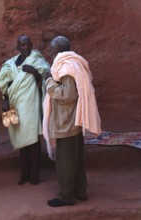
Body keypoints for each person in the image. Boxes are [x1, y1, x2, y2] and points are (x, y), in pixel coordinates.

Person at [42, 35, 101, 207]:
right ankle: (80, 192)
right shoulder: (76, 63)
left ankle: (66, 196)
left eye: (53, 50)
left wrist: (49, 82)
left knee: (65, 162)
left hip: (66, 122)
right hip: (74, 120)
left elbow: (68, 94)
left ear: (58, 50)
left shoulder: (66, 66)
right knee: (77, 159)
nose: (52, 54)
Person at [0, 35, 50, 186]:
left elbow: (47, 81)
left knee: (33, 141)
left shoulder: (37, 60)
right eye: (22, 45)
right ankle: (24, 175)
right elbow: (5, 83)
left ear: (31, 45)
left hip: (31, 105)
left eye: (28, 44)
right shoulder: (10, 64)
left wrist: (34, 72)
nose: (25, 47)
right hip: (17, 106)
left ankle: (34, 177)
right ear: (18, 46)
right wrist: (5, 99)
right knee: (22, 141)